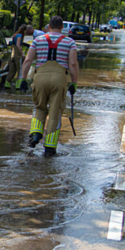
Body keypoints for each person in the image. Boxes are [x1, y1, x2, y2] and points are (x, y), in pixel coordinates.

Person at [19, 16, 79, 157]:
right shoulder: (70, 42)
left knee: (39, 106)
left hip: (40, 77)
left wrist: (23, 79)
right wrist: (74, 83)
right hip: (59, 79)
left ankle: (35, 134)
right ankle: (50, 147)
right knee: (55, 112)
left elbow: (28, 60)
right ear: (62, 27)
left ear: (49, 26)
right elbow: (73, 64)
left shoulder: (37, 40)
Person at [5, 25, 31, 91]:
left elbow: (12, 44)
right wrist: (22, 54)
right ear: (24, 30)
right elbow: (18, 45)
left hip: (13, 54)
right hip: (17, 55)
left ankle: (7, 84)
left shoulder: (14, 35)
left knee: (12, 70)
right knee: (20, 69)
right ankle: (18, 85)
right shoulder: (19, 36)